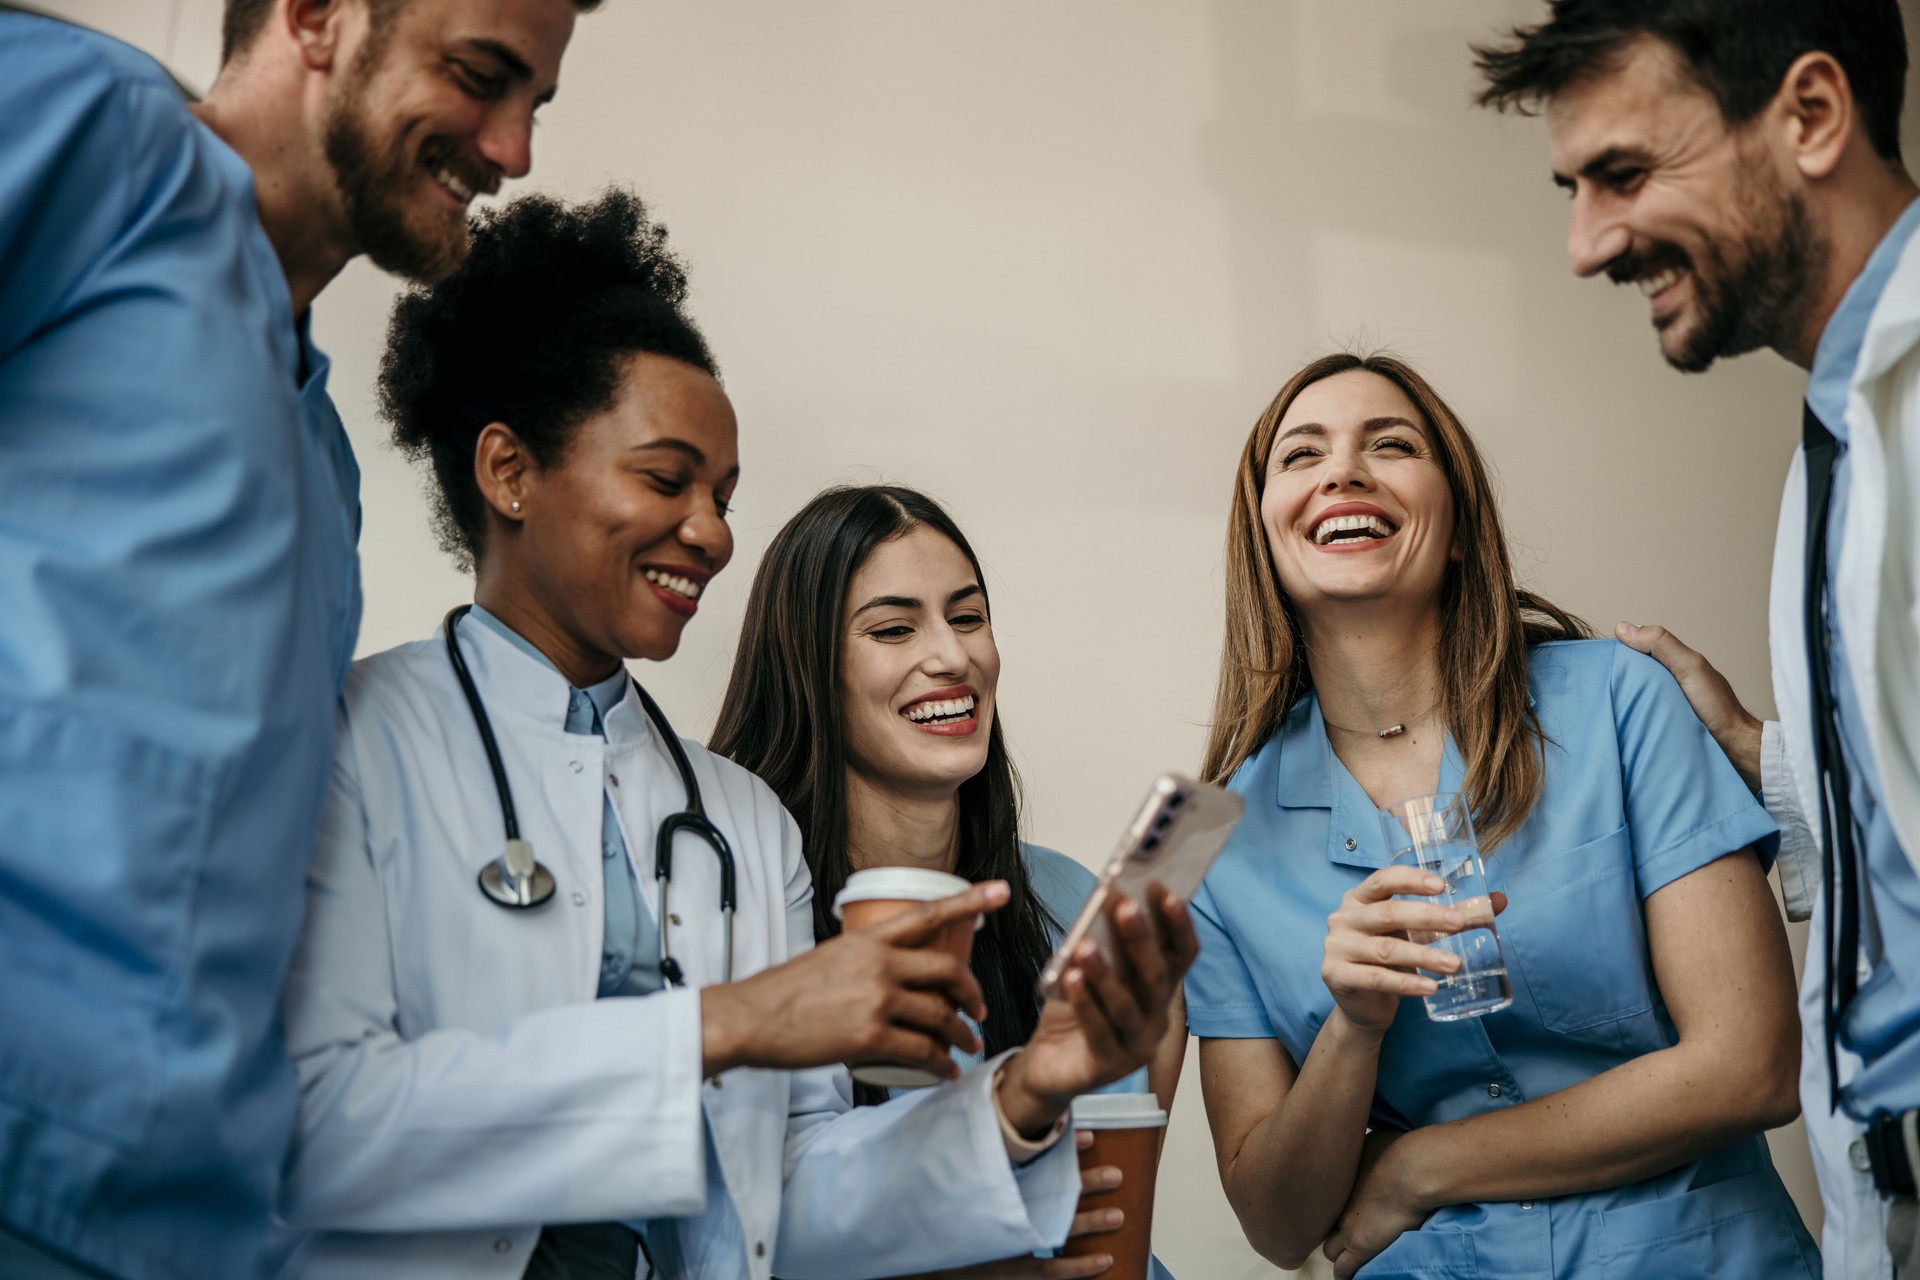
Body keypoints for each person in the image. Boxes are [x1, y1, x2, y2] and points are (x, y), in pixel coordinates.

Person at [277, 190, 1194, 1279]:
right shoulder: (346, 743)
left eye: (723, 493)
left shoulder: (737, 821)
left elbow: (791, 1194)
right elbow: (315, 1124)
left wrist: (1026, 1089)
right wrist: (721, 1023)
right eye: (667, 480)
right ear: (507, 471)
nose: (711, 532)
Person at [0, 1, 582, 1276]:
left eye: (536, 101)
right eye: (483, 78)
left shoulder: (321, 469)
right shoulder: (99, 135)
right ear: (319, 16)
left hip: (179, 1217)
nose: (513, 149)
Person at [1182, 352, 1816, 1279]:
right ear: (1263, 533)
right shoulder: (1213, 841)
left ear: (1459, 523)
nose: (1343, 472)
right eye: (1300, 455)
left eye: (1390, 444)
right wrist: (1353, 1028)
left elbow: (1752, 1064)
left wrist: (1416, 1166)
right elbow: (1279, 1226)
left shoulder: (1619, 702)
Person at [1474, 3, 1920, 1274]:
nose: (1583, 244)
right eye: (1573, 188)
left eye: (1623, 175)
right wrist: (1777, 761)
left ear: (1813, 115)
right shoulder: (1835, 441)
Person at [711, 483, 1185, 1280]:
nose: (952, 656)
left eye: (967, 617)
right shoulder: (748, 916)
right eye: (895, 629)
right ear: (806, 671)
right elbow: (732, 1233)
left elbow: (1118, 1203)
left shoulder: (1072, 905)